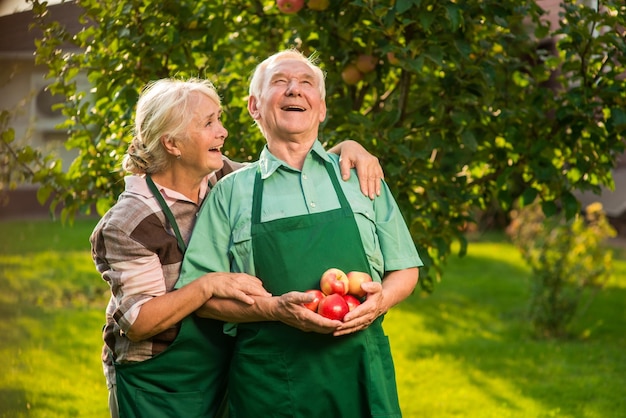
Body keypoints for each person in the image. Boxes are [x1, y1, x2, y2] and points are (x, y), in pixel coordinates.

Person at [89, 77, 385, 418]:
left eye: (220, 119)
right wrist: (208, 285)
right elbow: (138, 322)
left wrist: (347, 148)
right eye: (209, 123)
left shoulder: (223, 179)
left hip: (220, 362)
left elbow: (288, 173)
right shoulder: (131, 222)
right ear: (172, 143)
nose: (223, 132)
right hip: (158, 381)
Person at [180, 49, 422, 417]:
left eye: (306, 83)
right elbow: (201, 297)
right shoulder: (230, 193)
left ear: (321, 109)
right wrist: (273, 309)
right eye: (280, 82)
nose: (294, 90)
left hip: (360, 371)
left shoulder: (362, 178)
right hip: (271, 383)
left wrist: (380, 302)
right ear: (254, 107)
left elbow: (405, 268)